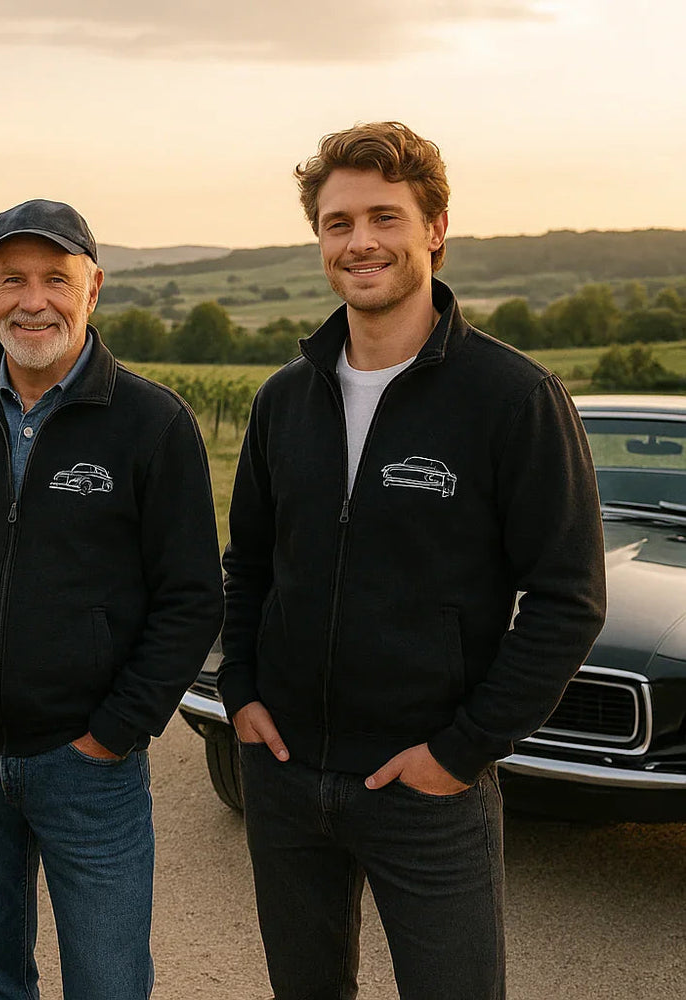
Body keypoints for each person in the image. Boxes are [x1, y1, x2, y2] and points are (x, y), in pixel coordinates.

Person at [218, 122, 608, 1000]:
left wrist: (462, 750)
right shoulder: (286, 398)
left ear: (435, 228)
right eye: (338, 222)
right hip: (284, 781)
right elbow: (248, 565)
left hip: (426, 789)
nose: (360, 242)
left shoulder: (513, 399)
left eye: (385, 218)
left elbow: (567, 599)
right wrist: (240, 692)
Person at [0, 199, 224, 999]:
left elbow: (191, 599)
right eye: (12, 279)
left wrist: (114, 731)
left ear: (94, 287)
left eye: (54, 278)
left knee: (107, 983)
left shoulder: (152, 423)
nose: (32, 300)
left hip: (90, 766)